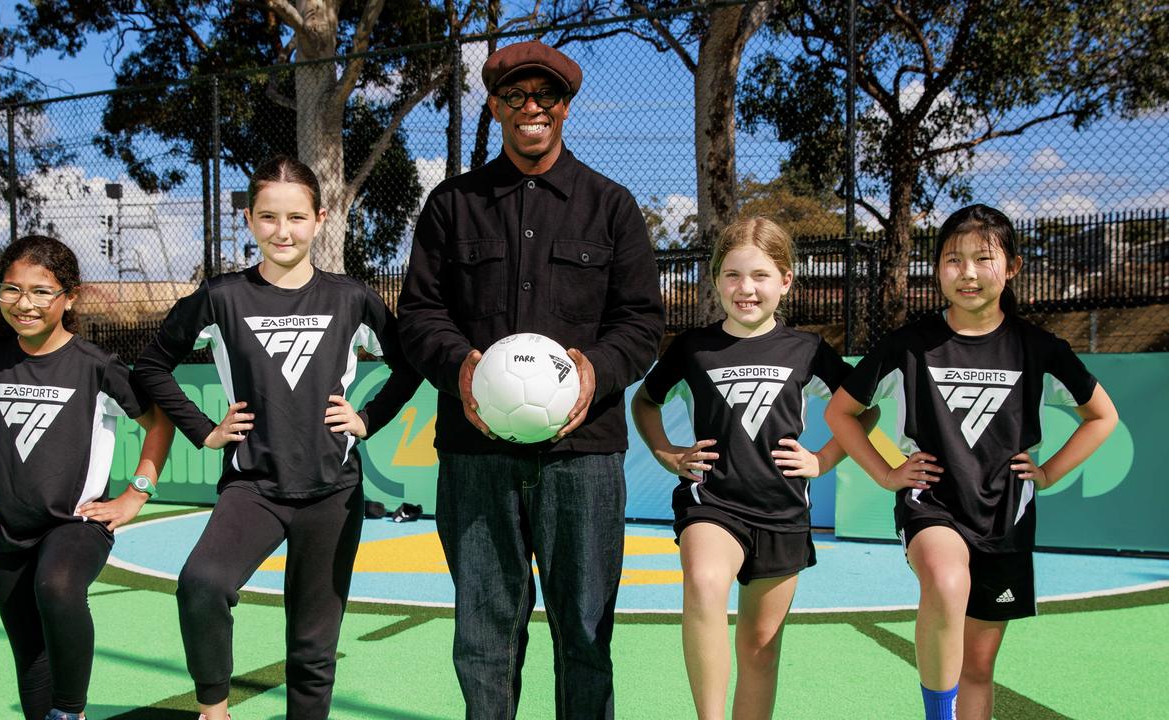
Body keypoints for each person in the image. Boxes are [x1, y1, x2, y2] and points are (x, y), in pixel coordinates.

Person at [396, 40, 665, 719]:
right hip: (475, 454)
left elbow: (641, 323)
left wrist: (593, 371)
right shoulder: (452, 206)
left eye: (545, 95)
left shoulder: (611, 206)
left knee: (584, 634)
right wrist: (460, 366)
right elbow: (420, 314)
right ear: (495, 104)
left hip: (584, 457)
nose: (531, 107)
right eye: (515, 95)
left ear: (566, 107)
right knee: (484, 639)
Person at [132, 155, 421, 720]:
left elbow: (409, 366)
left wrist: (368, 419)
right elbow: (151, 366)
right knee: (201, 585)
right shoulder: (221, 297)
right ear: (249, 220)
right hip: (253, 487)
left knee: (313, 647)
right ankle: (214, 709)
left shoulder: (351, 297)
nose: (282, 231)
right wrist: (205, 430)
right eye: (267, 217)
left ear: (320, 218)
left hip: (331, 491)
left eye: (295, 217)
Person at [824, 204, 1119, 720]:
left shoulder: (1039, 349)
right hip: (932, 505)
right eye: (952, 260)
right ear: (936, 268)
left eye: (983, 259)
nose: (967, 273)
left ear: (1012, 268)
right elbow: (842, 412)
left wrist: (1047, 474)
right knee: (946, 580)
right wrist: (888, 473)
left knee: (978, 670)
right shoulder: (909, 346)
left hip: (1006, 517)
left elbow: (1102, 416)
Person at [631, 217, 876, 720]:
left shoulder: (807, 349)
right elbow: (645, 402)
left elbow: (864, 409)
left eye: (761, 275)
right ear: (717, 280)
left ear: (786, 280)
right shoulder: (692, 348)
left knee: (760, 651)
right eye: (732, 275)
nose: (746, 289)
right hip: (712, 503)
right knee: (703, 581)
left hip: (783, 511)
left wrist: (823, 458)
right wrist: (668, 453)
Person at [0, 235, 174, 720]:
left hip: (76, 524)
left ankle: (72, 711)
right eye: (12, 290)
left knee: (58, 587)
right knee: (30, 655)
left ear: (71, 296)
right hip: (8, 530)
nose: (25, 304)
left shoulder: (97, 366)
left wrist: (135, 494)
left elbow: (159, 424)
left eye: (42, 291)